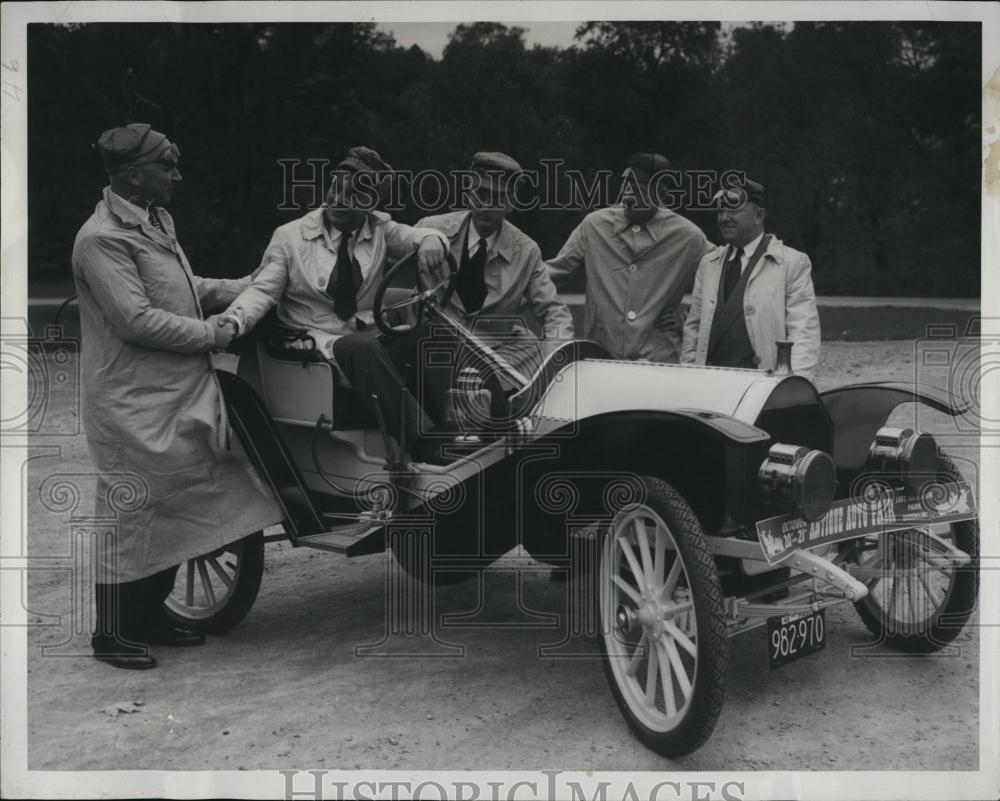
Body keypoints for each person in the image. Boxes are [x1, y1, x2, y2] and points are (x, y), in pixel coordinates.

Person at [71, 123, 282, 670]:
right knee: (134, 511)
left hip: (176, 392)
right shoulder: (101, 240)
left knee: (182, 503)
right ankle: (112, 632)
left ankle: (148, 617)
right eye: (168, 166)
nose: (177, 176)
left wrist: (245, 286)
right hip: (130, 401)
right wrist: (215, 334)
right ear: (134, 174)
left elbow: (182, 292)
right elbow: (137, 320)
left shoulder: (156, 222)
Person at [221, 146, 449, 460]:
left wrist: (432, 240)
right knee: (360, 346)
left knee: (427, 334)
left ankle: (456, 426)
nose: (339, 199)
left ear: (371, 204)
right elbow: (261, 292)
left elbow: (417, 234)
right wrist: (232, 321)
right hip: (317, 349)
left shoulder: (380, 229)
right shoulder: (291, 237)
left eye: (354, 194)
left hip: (370, 349)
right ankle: (423, 444)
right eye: (334, 188)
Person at [416, 151, 574, 392]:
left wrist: (555, 358)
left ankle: (497, 405)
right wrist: (422, 239)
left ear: (511, 203)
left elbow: (552, 309)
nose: (486, 205)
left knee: (533, 349)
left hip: (492, 352)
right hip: (434, 347)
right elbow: (391, 242)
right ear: (469, 194)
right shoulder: (431, 228)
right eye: (480, 194)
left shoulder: (526, 251)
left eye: (498, 197)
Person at [546, 153, 710, 362]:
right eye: (625, 186)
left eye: (639, 188)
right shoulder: (594, 226)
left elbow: (722, 276)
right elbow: (549, 276)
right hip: (600, 358)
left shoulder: (688, 236)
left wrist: (689, 321)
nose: (628, 195)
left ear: (662, 191)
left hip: (659, 362)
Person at [681, 177, 821, 379]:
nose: (725, 217)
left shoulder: (791, 263)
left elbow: (804, 333)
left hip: (763, 387)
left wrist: (790, 386)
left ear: (759, 216)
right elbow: (693, 330)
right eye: (721, 211)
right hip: (709, 384)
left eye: (734, 210)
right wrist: (689, 376)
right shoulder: (708, 264)